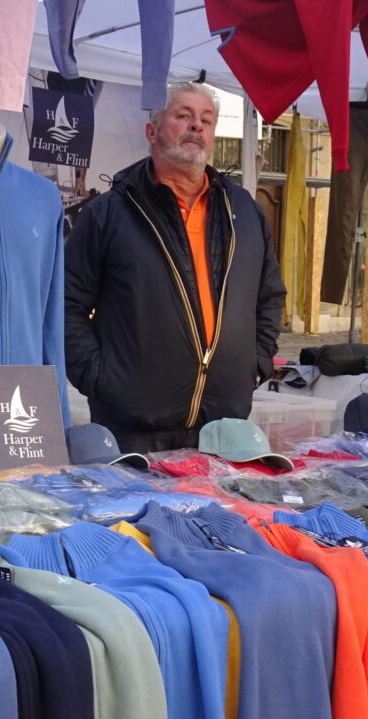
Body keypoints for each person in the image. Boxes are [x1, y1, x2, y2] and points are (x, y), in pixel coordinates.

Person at [64, 81, 287, 453]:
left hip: (224, 429)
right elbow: (67, 305)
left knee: (225, 514)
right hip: (133, 430)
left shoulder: (244, 211)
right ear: (152, 131)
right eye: (183, 115)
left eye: (206, 120)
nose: (196, 126)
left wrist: (255, 364)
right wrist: (102, 378)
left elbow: (270, 297)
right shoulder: (110, 212)